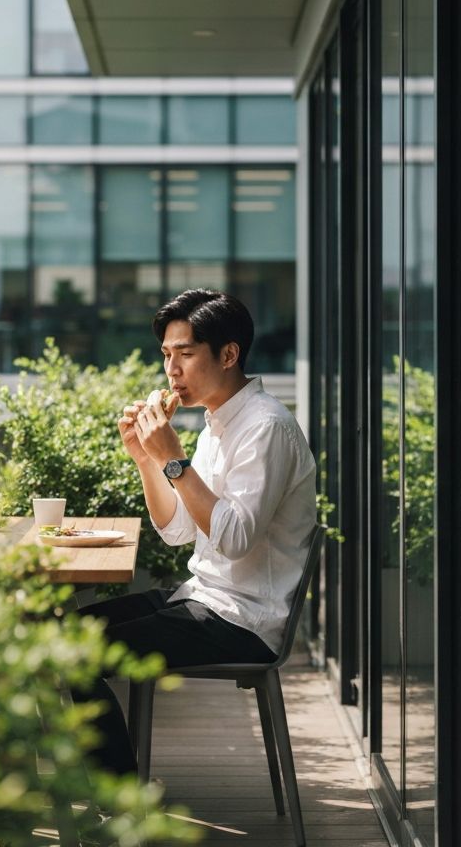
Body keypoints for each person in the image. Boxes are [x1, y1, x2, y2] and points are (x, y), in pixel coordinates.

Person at [75, 288, 317, 776]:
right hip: (202, 597)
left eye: (185, 353)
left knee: (72, 655)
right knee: (58, 636)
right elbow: (178, 531)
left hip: (243, 620)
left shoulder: (265, 426)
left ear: (228, 354)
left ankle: (117, 804)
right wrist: (147, 460)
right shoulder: (214, 426)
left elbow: (233, 539)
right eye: (166, 355)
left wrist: (171, 458)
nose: (172, 370)